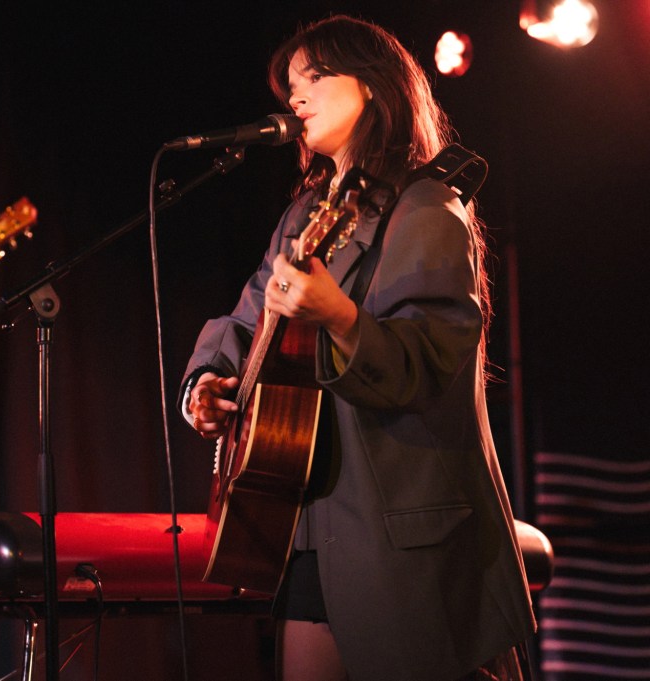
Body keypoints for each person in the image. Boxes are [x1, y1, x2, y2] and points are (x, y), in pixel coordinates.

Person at [180, 15, 537, 681]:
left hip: (405, 541)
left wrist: (339, 316)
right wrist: (206, 382)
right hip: (313, 521)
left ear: (372, 85)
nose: (296, 97)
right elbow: (246, 317)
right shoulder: (303, 214)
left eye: (315, 77)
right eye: (291, 86)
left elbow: (422, 368)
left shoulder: (426, 207)